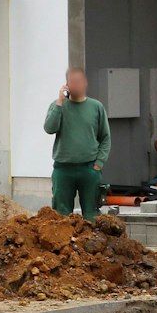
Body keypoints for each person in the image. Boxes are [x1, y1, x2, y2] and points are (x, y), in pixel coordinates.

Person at [43, 67, 110, 220]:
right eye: (73, 82)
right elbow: (49, 128)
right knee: (61, 215)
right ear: (67, 84)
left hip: (89, 168)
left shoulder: (96, 107)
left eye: (79, 81)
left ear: (85, 83)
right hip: (63, 169)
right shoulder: (58, 106)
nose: (76, 84)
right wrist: (60, 102)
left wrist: (99, 163)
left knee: (92, 215)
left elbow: (105, 138)